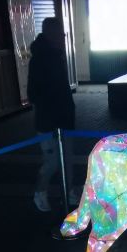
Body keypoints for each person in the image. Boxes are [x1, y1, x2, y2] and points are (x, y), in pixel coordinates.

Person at [27, 17, 78, 214]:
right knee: (52, 161)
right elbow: (33, 94)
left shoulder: (57, 56)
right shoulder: (39, 59)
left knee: (67, 158)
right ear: (50, 34)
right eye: (60, 33)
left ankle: (69, 191)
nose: (63, 37)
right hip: (48, 122)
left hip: (64, 119)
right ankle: (40, 192)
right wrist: (53, 104)